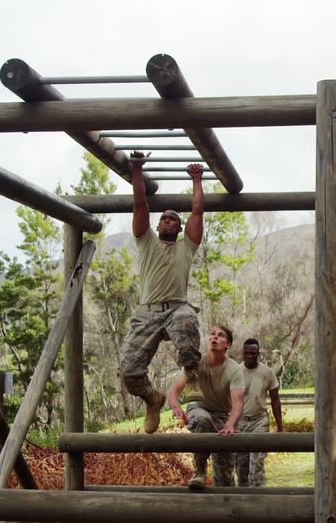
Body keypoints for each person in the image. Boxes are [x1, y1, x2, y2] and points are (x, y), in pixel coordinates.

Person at [117, 155, 205, 434]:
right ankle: (152, 399)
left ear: (179, 228)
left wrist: (197, 179)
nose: (167, 221)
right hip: (147, 311)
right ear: (157, 226)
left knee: (188, 322)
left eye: (173, 220)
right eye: (164, 219)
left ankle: (193, 387)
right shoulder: (145, 242)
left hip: (177, 307)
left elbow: (198, 212)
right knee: (128, 370)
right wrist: (138, 168)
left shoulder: (186, 247)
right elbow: (140, 204)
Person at [168, 325, 246, 489]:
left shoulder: (234, 369)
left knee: (225, 479)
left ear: (228, 344)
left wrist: (230, 425)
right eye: (212, 334)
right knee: (203, 419)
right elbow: (174, 390)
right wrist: (176, 406)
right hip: (199, 410)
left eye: (220, 335)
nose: (215, 337)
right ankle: (200, 471)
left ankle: (226, 507)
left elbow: (238, 404)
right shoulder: (196, 364)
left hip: (223, 417)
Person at [235, 338, 283, 487]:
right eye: (246, 353)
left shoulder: (267, 373)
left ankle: (259, 496)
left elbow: (275, 399)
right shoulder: (236, 371)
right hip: (240, 421)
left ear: (258, 354)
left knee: (256, 463)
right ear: (243, 353)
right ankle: (244, 501)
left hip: (259, 421)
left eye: (253, 353)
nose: (249, 356)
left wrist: (280, 427)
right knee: (241, 466)